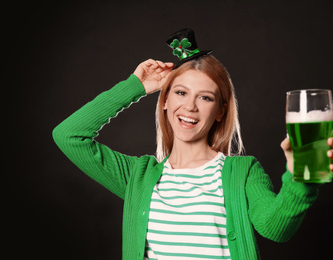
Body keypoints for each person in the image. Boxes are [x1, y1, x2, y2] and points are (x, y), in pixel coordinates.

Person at [53, 28, 333, 259]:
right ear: (165, 101)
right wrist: (134, 87)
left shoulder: (243, 172)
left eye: (205, 97)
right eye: (180, 92)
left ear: (220, 110)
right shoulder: (137, 178)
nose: (190, 107)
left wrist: (302, 179)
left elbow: (276, 229)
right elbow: (69, 135)